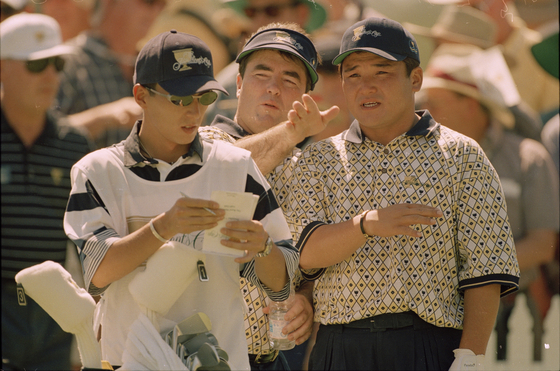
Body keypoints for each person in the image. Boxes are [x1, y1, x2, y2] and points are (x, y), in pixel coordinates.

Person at [280, 17, 520, 370]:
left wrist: (469, 357)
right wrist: (365, 225)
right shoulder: (320, 158)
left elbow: (485, 270)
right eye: (354, 75)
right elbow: (305, 252)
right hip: (339, 346)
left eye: (382, 73)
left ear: (416, 79)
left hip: (427, 346)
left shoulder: (462, 155)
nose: (367, 87)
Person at [63, 30, 298, 370]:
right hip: (126, 362)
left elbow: (281, 283)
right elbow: (98, 273)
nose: (194, 111)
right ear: (140, 96)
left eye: (203, 98)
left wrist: (263, 248)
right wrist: (164, 227)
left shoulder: (236, 166)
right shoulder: (97, 170)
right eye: (180, 99)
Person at [199, 22, 339, 370]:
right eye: (262, 75)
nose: (274, 88)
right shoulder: (200, 142)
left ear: (308, 97)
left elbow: (311, 264)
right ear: (240, 83)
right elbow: (221, 176)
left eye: (290, 80)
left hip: (270, 359)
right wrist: (294, 131)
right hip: (197, 356)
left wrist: (306, 299)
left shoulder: (307, 165)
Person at [419, 42, 559, 362]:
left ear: (471, 104)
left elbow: (543, 244)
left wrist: (468, 273)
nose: (427, 112)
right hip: (438, 316)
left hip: (515, 314)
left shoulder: (528, 158)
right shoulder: (422, 159)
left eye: (436, 102)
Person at [1, 13, 94, 370]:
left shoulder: (74, 144)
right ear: (2, 69)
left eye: (57, 63)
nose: (52, 76)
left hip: (56, 310)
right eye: (37, 64)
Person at [55, 0, 166, 148]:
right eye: (149, 1)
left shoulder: (155, 66)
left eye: (162, 4)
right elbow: (43, 134)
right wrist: (103, 118)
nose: (156, 11)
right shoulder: (67, 62)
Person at [203, 0, 328, 125]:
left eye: (271, 11)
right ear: (239, 84)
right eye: (251, 12)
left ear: (302, 13)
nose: (259, 20)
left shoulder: (333, 76)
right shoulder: (227, 83)